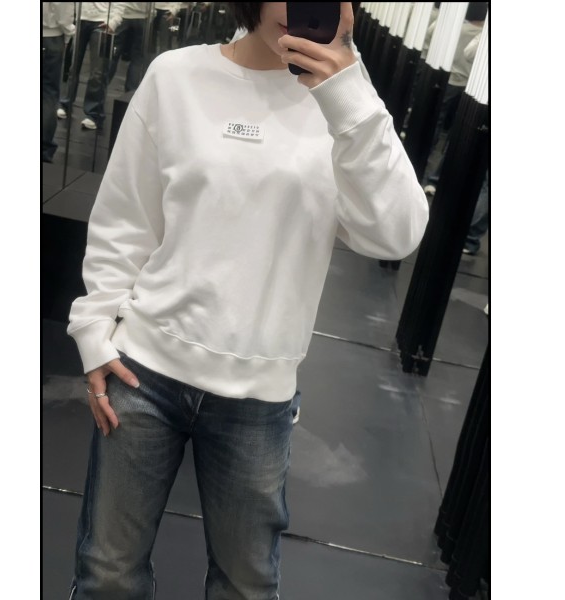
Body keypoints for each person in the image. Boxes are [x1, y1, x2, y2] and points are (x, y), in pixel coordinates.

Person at [65, 3, 429, 598]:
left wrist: (350, 99)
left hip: (258, 398)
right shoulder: (177, 77)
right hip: (142, 372)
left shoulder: (346, 102)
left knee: (247, 585)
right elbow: (126, 219)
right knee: (107, 575)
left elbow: (395, 234)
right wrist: (94, 330)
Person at [423, 2, 487, 195]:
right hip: (473, 90)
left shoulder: (460, 26)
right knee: (457, 133)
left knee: (440, 121)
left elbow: (431, 32)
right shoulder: (482, 35)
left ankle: (426, 158)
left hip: (451, 78)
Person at [57, 2, 126, 130]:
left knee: (98, 71)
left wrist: (114, 22)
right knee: (72, 67)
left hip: (102, 22)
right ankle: (65, 103)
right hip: (79, 19)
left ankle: (94, 114)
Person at [42, 2, 75, 162]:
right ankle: (44, 148)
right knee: (48, 93)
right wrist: (69, 31)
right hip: (51, 35)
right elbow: (62, 8)